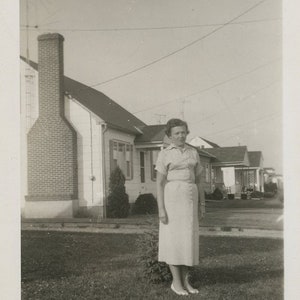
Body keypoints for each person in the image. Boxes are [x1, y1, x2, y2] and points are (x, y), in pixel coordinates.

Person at [155, 118, 205, 296]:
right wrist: (161, 209)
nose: (181, 135)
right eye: (176, 133)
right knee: (174, 241)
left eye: (183, 132)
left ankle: (186, 282)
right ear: (169, 135)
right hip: (172, 200)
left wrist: (202, 204)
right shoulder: (165, 154)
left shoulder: (193, 153)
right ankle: (176, 283)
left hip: (190, 199)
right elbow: (160, 183)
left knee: (188, 241)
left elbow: (199, 180)